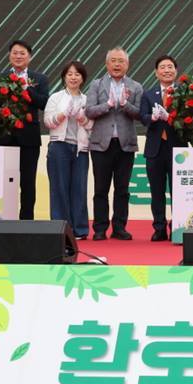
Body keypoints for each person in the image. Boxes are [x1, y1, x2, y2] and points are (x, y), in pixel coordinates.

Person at [85, 47, 143, 241]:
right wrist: (108, 105)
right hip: (101, 144)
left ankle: (119, 227)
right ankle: (100, 229)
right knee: (101, 189)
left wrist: (126, 105)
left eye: (121, 61)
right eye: (114, 61)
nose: (117, 64)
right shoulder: (96, 84)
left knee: (122, 189)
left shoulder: (136, 86)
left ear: (127, 64)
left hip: (125, 144)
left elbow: (140, 114)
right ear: (107, 64)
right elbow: (89, 111)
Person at [43, 61, 93, 240]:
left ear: (82, 78)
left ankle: (80, 230)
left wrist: (81, 118)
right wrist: (62, 114)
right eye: (70, 74)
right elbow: (47, 122)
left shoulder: (87, 100)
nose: (73, 77)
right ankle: (61, 229)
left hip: (81, 149)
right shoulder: (56, 98)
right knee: (59, 189)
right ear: (64, 77)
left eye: (77, 74)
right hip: (59, 146)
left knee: (79, 189)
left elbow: (92, 126)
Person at [1, 40, 50, 220]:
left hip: (29, 138)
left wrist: (26, 89)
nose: (18, 56)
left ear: (29, 57)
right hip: (4, 138)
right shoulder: (0, 77)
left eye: (22, 53)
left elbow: (44, 103)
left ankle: (26, 221)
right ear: (9, 56)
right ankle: (5, 218)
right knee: (5, 181)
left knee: (28, 181)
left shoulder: (40, 79)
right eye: (15, 53)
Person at [139, 55, 183, 242]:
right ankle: (159, 227)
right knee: (156, 191)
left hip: (178, 149)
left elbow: (189, 118)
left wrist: (171, 119)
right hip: (154, 149)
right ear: (156, 73)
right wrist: (153, 117)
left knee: (178, 192)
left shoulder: (184, 93)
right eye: (163, 67)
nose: (167, 70)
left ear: (176, 71)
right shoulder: (148, 94)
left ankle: (177, 226)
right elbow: (142, 117)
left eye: (170, 67)